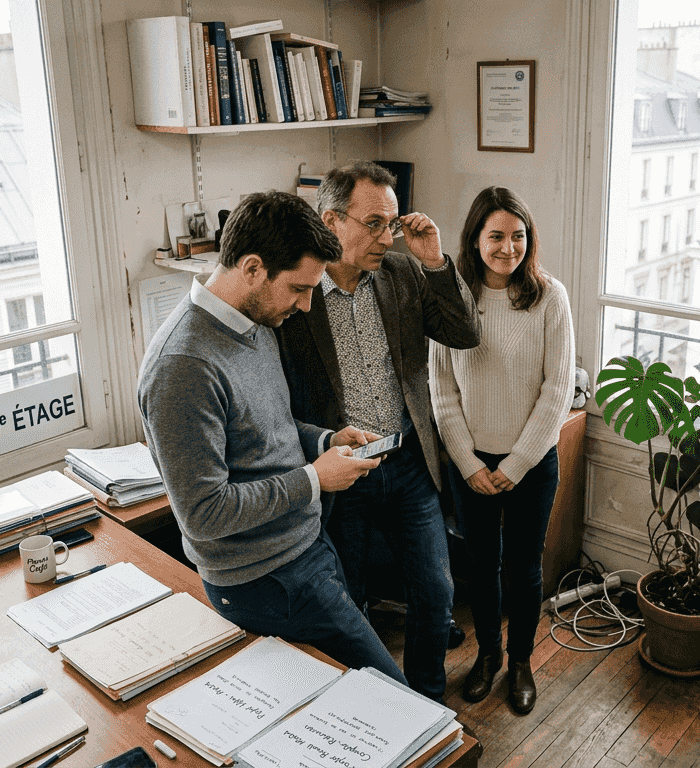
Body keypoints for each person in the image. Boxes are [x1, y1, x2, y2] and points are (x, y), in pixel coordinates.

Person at [138, 190, 404, 684]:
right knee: (398, 701)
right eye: (300, 288)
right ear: (254, 268)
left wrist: (324, 441)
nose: (306, 306)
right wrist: (314, 480)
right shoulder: (183, 368)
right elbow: (202, 514)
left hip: (306, 549)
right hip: (265, 581)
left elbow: (268, 430)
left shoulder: (255, 321)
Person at [276, 161, 480, 702]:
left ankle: (429, 710)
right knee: (351, 603)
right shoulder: (298, 293)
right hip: (345, 473)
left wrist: (435, 261)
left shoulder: (402, 272)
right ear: (331, 221)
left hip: (410, 462)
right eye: (374, 224)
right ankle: (367, 715)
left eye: (391, 223)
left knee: (436, 593)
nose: (387, 237)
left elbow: (464, 331)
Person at [430, 186, 574, 715]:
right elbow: (441, 389)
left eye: (518, 236)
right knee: (481, 566)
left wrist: (515, 465)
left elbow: (557, 390)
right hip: (471, 466)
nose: (508, 247)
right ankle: (487, 656)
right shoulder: (452, 299)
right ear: (475, 239)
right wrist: (468, 463)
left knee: (523, 568)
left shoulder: (548, 297)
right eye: (496, 236)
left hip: (532, 465)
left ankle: (520, 663)